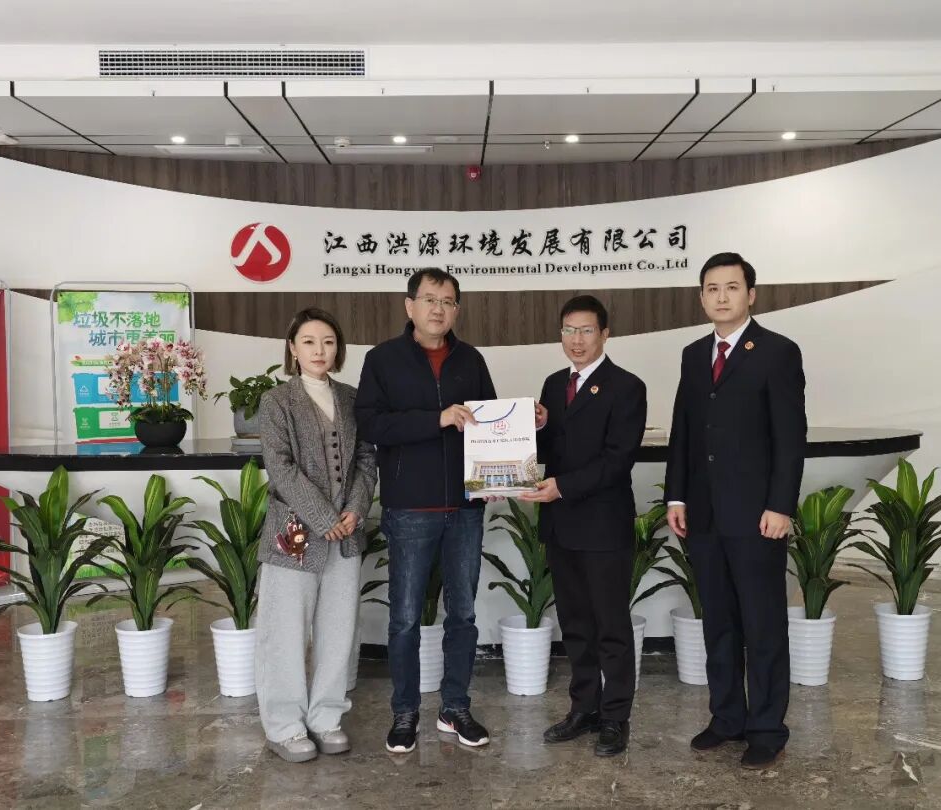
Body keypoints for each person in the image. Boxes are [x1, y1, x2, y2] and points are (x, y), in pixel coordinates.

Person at [664, 252, 806, 770]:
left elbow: (790, 437)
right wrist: (676, 496)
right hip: (703, 515)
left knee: (762, 624)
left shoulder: (777, 352)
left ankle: (767, 728)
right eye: (712, 288)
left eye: (731, 287)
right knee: (719, 621)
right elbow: (683, 429)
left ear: (751, 294)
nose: (721, 296)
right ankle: (727, 718)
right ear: (701, 297)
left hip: (757, 516)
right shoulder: (692, 354)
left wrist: (780, 505)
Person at [355, 268, 498, 754]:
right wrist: (436, 419)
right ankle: (405, 712)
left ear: (457, 309)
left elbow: (490, 428)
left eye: (448, 301)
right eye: (430, 299)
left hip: (465, 508)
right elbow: (372, 425)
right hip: (410, 507)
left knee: (464, 614)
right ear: (409, 305)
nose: (439, 308)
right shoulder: (382, 359)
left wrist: (502, 466)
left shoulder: (471, 360)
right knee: (405, 618)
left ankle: (455, 707)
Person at [522, 294, 647, 757]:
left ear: (605, 334)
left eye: (586, 330)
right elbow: (552, 449)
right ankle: (583, 708)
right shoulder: (555, 385)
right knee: (575, 624)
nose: (576, 340)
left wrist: (562, 487)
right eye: (569, 330)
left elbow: (617, 461)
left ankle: (615, 716)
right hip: (561, 526)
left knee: (610, 625)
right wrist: (536, 427)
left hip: (603, 526)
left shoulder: (627, 387)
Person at [254, 307, 377, 763]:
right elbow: (280, 468)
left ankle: (327, 717)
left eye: (327, 341)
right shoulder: (276, 401)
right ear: (293, 348)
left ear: (338, 348)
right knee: (284, 633)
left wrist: (354, 509)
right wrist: (325, 517)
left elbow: (366, 460)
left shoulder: (351, 398)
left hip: (345, 536)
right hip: (293, 536)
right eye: (308, 341)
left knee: (338, 630)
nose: (319, 350)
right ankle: (284, 726)